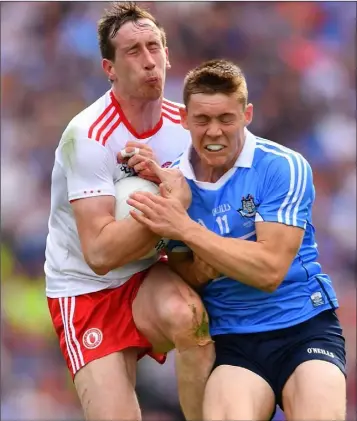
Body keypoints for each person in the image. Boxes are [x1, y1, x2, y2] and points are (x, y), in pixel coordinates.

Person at [126, 59, 347, 421]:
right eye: (202, 120)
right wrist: (206, 264)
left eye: (226, 119)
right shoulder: (171, 183)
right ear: (184, 119)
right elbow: (189, 274)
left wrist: (187, 229)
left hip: (304, 327)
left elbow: (270, 270)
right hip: (234, 340)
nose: (214, 132)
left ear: (247, 114)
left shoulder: (283, 166)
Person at [44, 3, 214, 421]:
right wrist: (170, 201)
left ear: (168, 54)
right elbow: (100, 255)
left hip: (144, 275)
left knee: (191, 319)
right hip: (83, 288)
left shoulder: (186, 127)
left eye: (154, 46)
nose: (149, 60)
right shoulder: (87, 135)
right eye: (134, 51)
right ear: (110, 67)